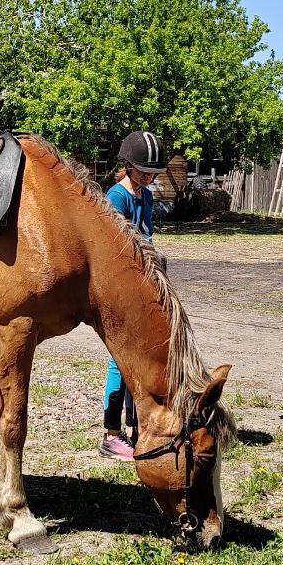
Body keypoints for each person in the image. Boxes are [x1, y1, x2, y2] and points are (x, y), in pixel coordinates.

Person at [99, 130, 168, 460]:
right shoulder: (117, 196)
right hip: (122, 284)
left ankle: (136, 427)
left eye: (152, 172)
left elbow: (147, 236)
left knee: (141, 356)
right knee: (120, 359)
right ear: (127, 166)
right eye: (142, 171)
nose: (148, 177)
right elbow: (119, 245)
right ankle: (111, 433)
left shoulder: (147, 196)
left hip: (143, 283)